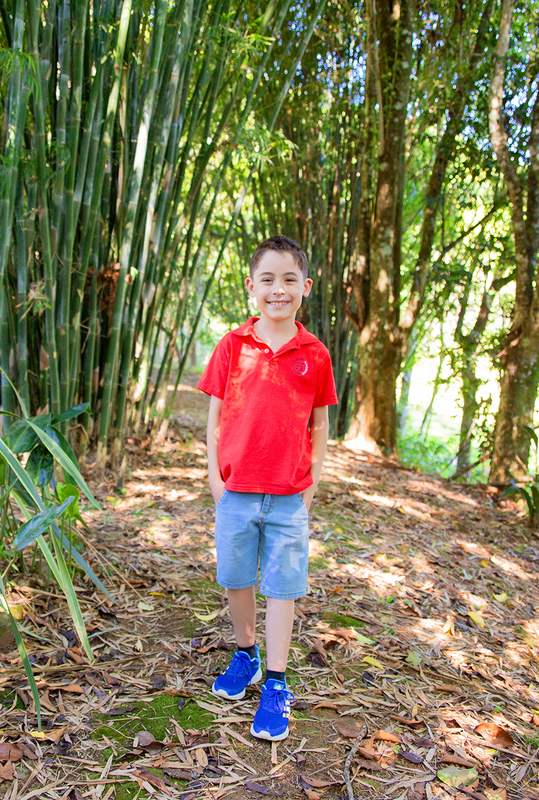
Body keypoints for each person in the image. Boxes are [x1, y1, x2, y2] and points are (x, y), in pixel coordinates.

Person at [195, 235, 337, 741]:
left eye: (289, 280)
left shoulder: (314, 353)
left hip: (288, 494)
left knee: (282, 587)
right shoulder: (233, 346)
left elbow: (319, 425)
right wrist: (215, 478)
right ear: (252, 287)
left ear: (305, 287)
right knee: (237, 579)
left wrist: (312, 484)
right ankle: (245, 654)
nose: (279, 289)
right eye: (268, 280)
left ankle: (276, 682)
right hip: (236, 490)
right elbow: (213, 419)